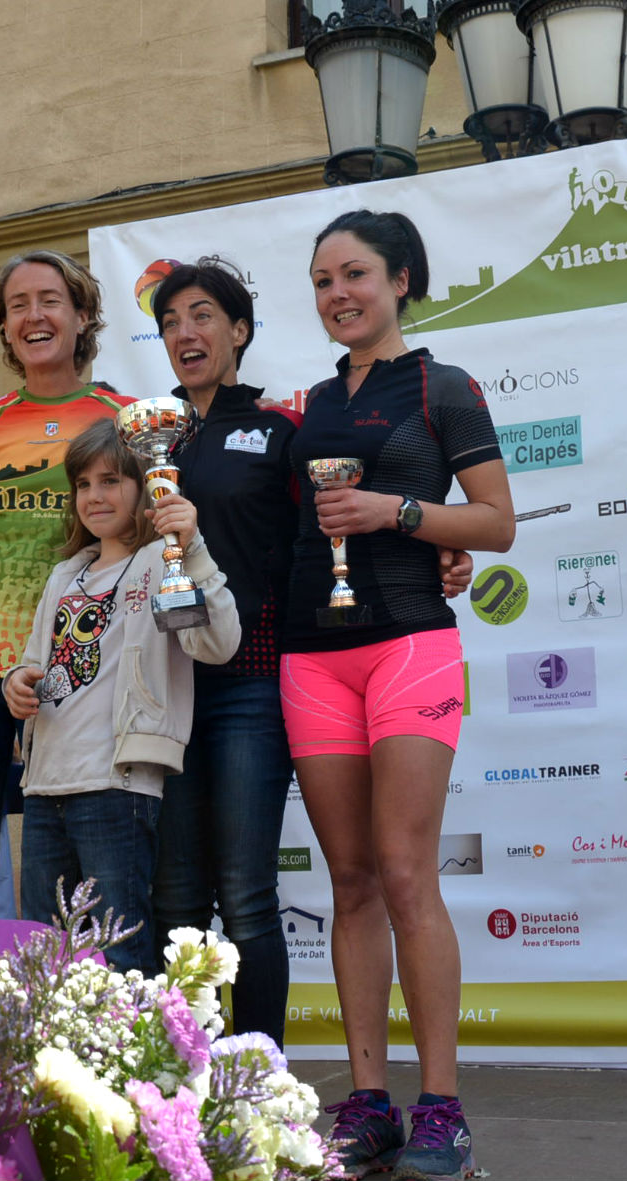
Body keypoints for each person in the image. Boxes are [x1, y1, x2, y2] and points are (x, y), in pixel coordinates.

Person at [144, 256, 474, 1043]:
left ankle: (255, 1078)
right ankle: (175, 1085)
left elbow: (330, 534)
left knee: (247, 891)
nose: (184, 334)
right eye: (168, 323)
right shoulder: (147, 435)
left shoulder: (283, 430)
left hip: (255, 678)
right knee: (176, 897)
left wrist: (438, 550)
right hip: (163, 684)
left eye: (201, 316)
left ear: (239, 331)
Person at [282, 212, 514, 1181]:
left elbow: (495, 521)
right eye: (324, 280)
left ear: (402, 280)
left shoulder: (443, 387)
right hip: (310, 657)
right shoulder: (303, 407)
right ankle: (367, 1098)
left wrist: (401, 515)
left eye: (357, 275)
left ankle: (442, 1107)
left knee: (407, 871)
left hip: (411, 645)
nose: (339, 294)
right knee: (349, 881)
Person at [0, 251, 130, 932]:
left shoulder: (122, 415)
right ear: (4, 327)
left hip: (80, 669)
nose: (33, 316)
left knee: (78, 879)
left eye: (49, 300)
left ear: (83, 315)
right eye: (17, 306)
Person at [0, 421, 239, 973]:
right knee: (41, 952)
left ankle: (126, 1057)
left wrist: (192, 547)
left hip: (117, 781)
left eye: (110, 481)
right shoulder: (65, 573)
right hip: (43, 785)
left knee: (117, 950)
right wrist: (16, 681)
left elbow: (216, 645)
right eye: (83, 484)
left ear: (146, 486)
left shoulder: (162, 562)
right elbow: (37, 660)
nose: (94, 496)